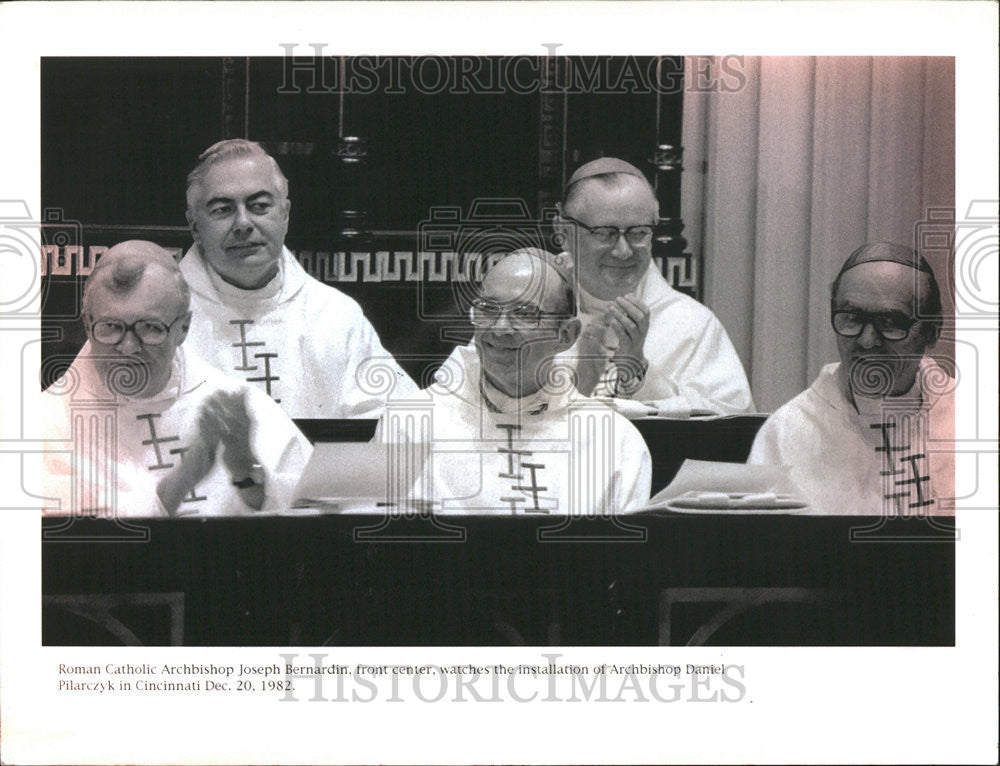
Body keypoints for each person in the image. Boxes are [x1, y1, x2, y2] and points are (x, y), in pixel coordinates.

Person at [41, 241, 312, 518]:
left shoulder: (240, 408)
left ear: (183, 329)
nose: (128, 347)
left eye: (150, 328)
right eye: (111, 327)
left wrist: (246, 472)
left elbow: (315, 511)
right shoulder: (38, 422)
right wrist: (181, 481)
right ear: (87, 324)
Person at [388, 249, 652, 515]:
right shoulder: (411, 424)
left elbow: (624, 553)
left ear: (566, 334)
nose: (500, 328)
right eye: (488, 309)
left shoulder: (614, 440)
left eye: (525, 314)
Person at [180, 139, 416, 419]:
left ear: (285, 215)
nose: (243, 223)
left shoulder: (335, 316)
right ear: (195, 226)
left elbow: (397, 423)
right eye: (222, 209)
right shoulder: (159, 318)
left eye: (259, 205)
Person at [748, 242, 955, 516]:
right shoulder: (789, 430)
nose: (868, 341)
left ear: (932, 331)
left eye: (890, 322)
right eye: (852, 318)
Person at [553, 157, 755, 416]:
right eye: (605, 233)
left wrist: (637, 369)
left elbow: (732, 423)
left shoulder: (691, 323)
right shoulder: (526, 311)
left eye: (638, 233)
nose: (623, 251)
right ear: (563, 230)